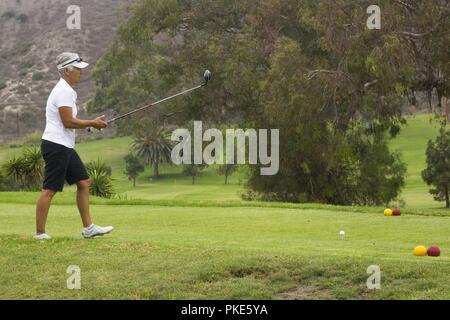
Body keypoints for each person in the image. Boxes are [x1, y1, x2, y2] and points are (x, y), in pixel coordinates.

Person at [34, 52, 113, 240]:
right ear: (67, 70)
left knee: (84, 183)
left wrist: (91, 124)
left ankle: (89, 229)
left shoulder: (67, 90)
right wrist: (92, 123)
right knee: (50, 189)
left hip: (64, 146)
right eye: (78, 69)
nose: (81, 72)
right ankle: (40, 233)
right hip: (56, 146)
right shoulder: (64, 91)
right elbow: (68, 122)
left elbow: (71, 122)